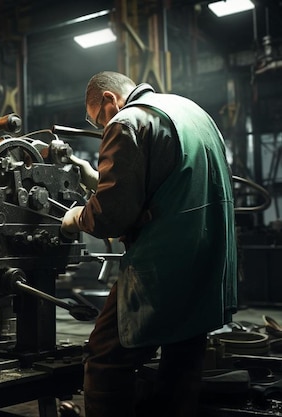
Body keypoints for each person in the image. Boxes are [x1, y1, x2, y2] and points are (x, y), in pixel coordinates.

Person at [61, 71, 237, 417]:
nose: (103, 128)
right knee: (182, 364)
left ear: (110, 100)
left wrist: (78, 217)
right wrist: (95, 179)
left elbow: (112, 216)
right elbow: (168, 183)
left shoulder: (127, 121)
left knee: (105, 358)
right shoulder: (189, 110)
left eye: (100, 120)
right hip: (211, 259)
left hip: (165, 263)